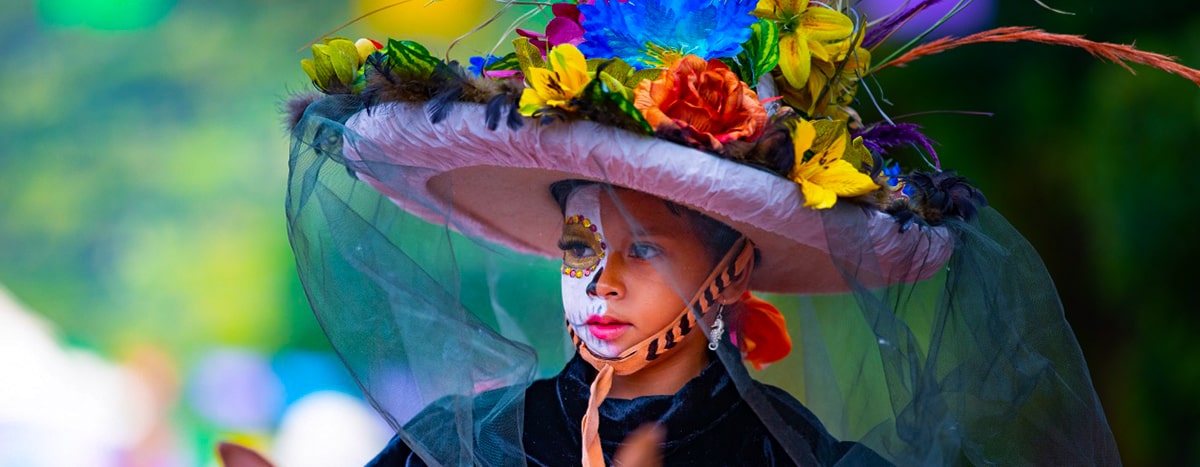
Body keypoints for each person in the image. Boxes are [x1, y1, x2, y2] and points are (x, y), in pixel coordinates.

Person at [284, 1, 1198, 465]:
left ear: (731, 268)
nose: (599, 283)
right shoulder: (457, 448)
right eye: (578, 246)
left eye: (644, 249)